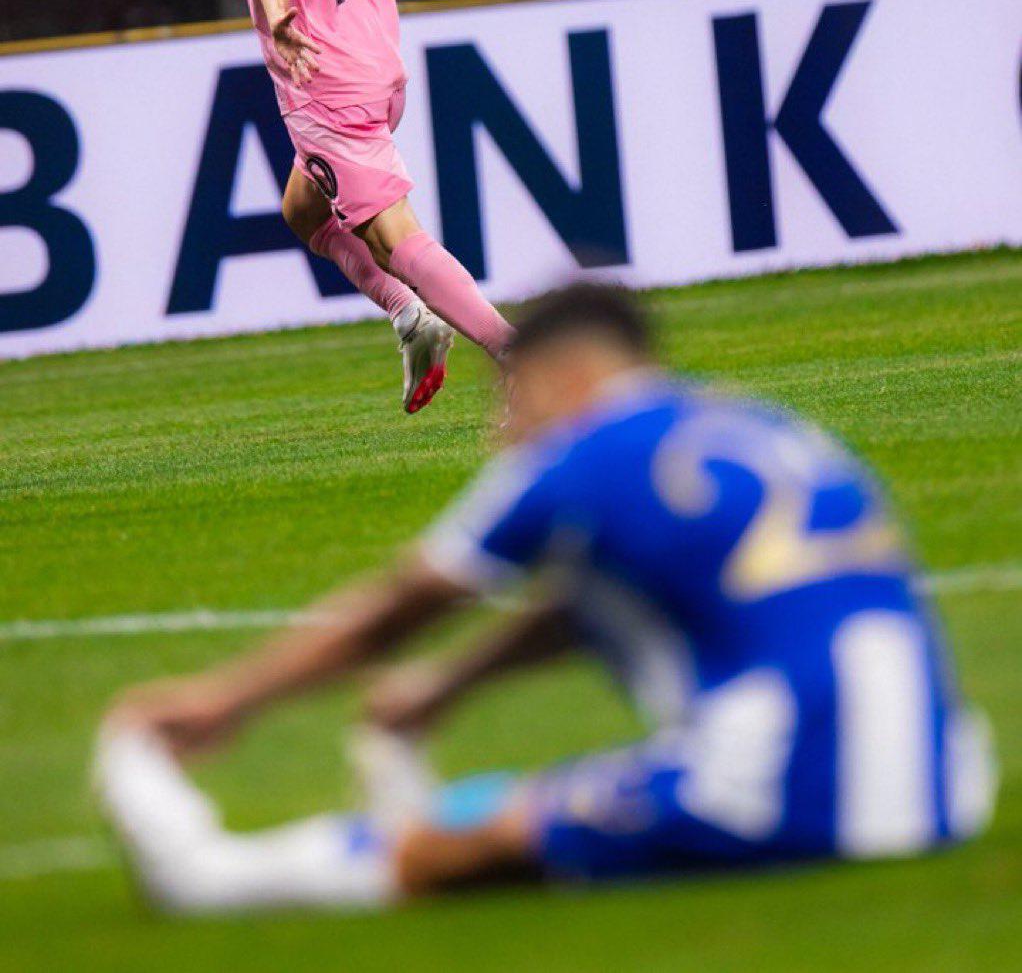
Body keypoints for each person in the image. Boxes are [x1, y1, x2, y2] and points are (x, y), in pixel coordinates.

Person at [93, 282, 996, 911]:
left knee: (471, 847)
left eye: (507, 396)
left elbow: (399, 608)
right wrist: (450, 691)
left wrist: (228, 700)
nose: (502, 426)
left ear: (560, 377)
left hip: (775, 789)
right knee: (543, 799)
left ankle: (210, 877)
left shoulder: (583, 455)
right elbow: (593, 602)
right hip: (943, 782)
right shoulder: (761, 428)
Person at [171, 0, 514, 413]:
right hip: (375, 61)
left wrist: (278, 14)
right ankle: (408, 315)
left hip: (323, 80)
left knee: (396, 239)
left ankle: (521, 359)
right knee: (303, 210)